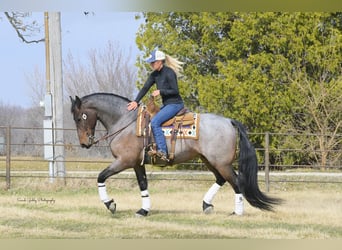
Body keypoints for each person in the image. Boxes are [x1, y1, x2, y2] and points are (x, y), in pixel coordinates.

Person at [127, 49, 184, 161]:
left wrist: (160, 91)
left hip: (175, 104)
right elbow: (145, 88)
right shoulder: (154, 75)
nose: (151, 64)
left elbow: (175, 91)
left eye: (153, 62)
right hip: (167, 105)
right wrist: (136, 101)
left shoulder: (169, 72)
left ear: (160, 62)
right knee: (149, 119)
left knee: (155, 122)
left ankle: (163, 151)